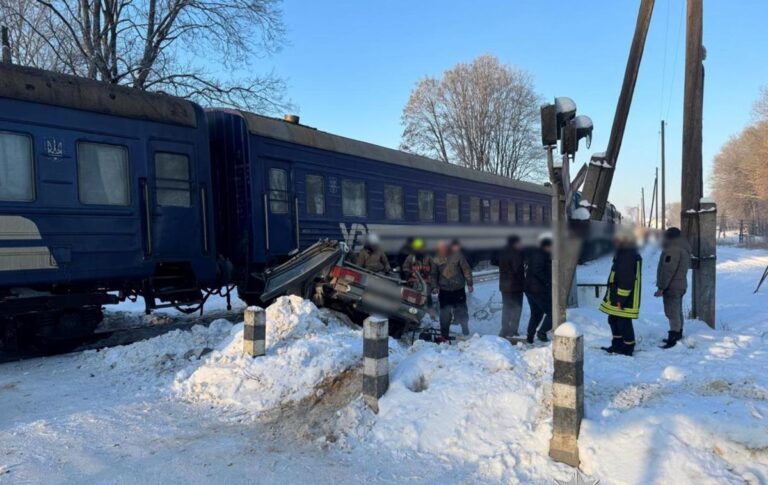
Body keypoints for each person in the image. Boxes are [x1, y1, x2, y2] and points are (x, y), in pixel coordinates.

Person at [599, 227, 642, 356]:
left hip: (623, 297)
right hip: (617, 294)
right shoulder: (624, 251)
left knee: (623, 321)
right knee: (613, 319)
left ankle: (628, 347)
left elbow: (626, 279)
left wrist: (620, 300)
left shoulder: (627, 254)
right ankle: (617, 344)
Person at [655, 227, 691, 349]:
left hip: (672, 286)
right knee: (677, 310)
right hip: (680, 284)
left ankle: (674, 336)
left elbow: (667, 270)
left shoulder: (672, 249)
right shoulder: (683, 247)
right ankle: (678, 332)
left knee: (672, 311)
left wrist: (661, 287)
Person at [431, 239, 474, 339]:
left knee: (462, 310)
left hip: (458, 289)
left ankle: (465, 328)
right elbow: (433, 274)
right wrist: (434, 286)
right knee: (444, 314)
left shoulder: (457, 255)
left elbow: (466, 269)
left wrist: (469, 283)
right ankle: (444, 335)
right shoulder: (436, 259)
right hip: (444, 290)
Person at [524, 234, 553, 343]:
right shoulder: (540, 255)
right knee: (552, 312)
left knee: (536, 313)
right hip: (537, 289)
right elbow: (538, 271)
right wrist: (549, 281)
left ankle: (530, 336)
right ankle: (541, 332)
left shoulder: (537, 253)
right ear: (546, 246)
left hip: (531, 288)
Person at [495, 235, 526, 338]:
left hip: (505, 286)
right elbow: (517, 270)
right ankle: (513, 330)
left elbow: (493, 261)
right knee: (517, 308)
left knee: (507, 308)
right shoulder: (515, 254)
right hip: (515, 286)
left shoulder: (503, 252)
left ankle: (504, 330)